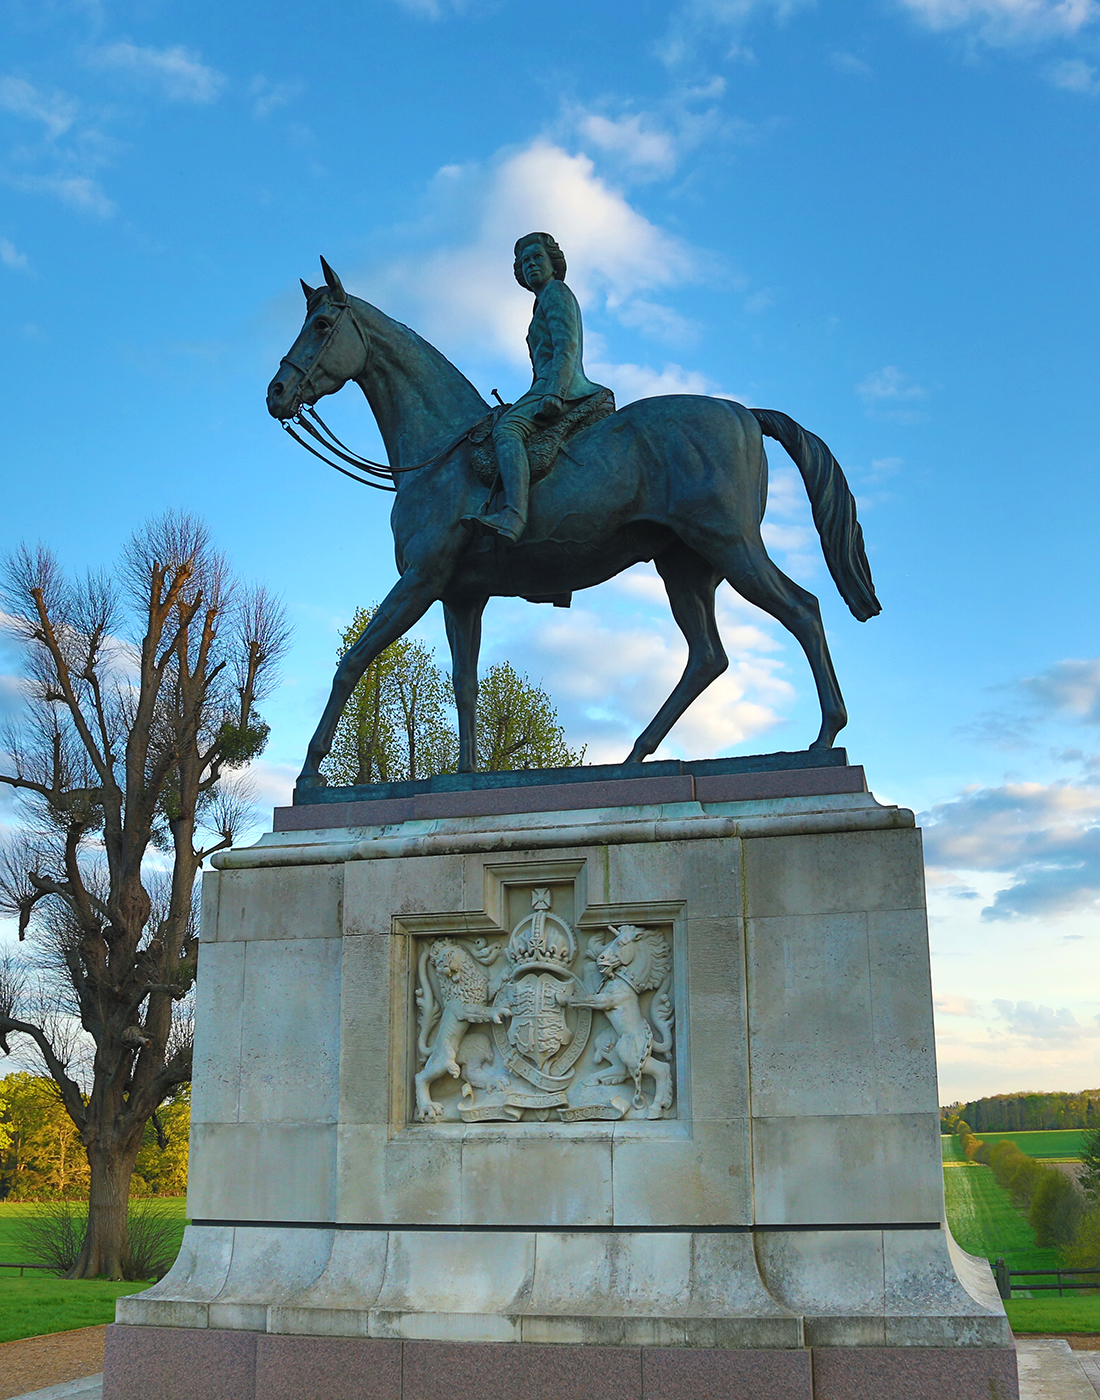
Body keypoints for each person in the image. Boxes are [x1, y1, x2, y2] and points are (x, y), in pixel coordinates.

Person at [463, 233, 607, 544]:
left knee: (506, 431)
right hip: (545, 386)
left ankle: (512, 516)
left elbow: (566, 347)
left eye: (536, 258)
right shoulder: (540, 304)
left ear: (553, 263)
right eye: (524, 261)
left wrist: (555, 392)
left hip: (566, 387)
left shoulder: (555, 292)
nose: (530, 265)